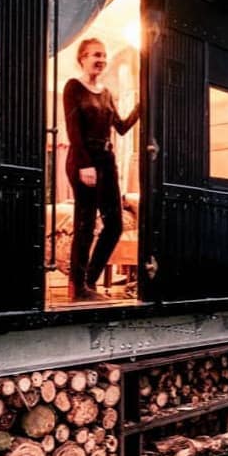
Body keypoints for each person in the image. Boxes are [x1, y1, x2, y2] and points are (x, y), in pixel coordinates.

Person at [63, 37, 140, 301]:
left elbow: (120, 126)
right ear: (82, 58)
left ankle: (89, 282)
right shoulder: (73, 87)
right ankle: (77, 286)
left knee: (115, 225)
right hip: (84, 160)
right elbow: (74, 131)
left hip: (107, 162)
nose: (101, 60)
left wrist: (143, 104)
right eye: (96, 55)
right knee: (85, 225)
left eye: (104, 55)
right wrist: (85, 165)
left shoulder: (106, 93)